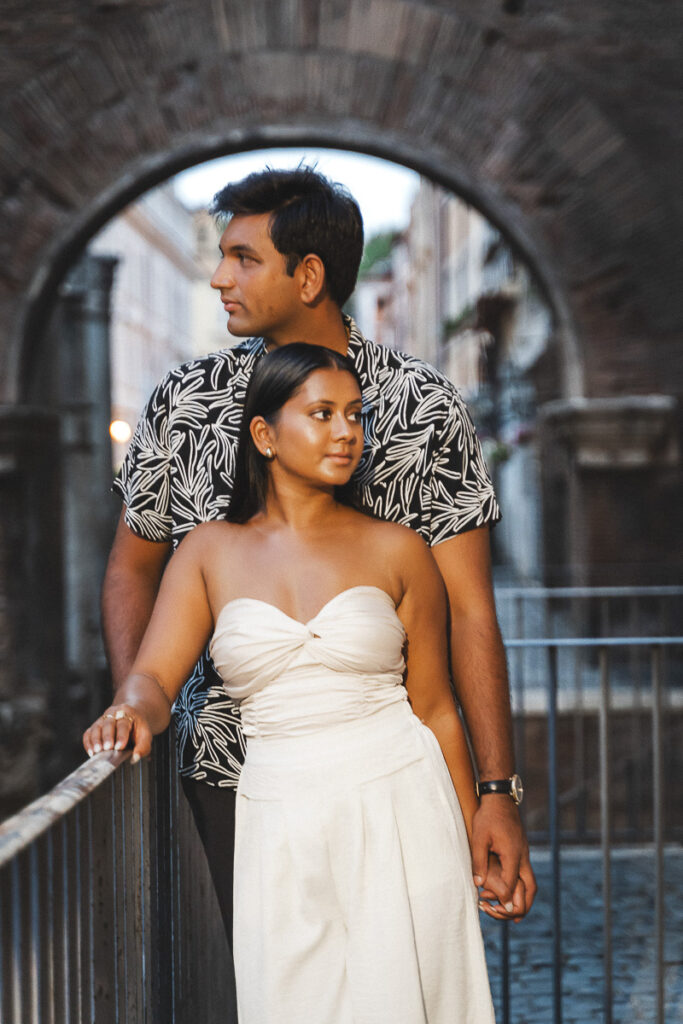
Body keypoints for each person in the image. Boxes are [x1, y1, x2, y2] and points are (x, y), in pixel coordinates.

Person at [102, 166, 535, 986]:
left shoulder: (421, 408)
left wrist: (494, 790)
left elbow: (472, 613)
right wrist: (140, 713)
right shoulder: (183, 404)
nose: (219, 277)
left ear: (307, 276)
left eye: (242, 258)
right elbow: (131, 571)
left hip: (396, 776)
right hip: (234, 777)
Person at [85, 343, 497, 1023]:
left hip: (402, 798)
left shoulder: (398, 549)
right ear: (265, 435)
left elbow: (435, 709)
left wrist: (480, 822)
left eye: (356, 415)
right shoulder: (209, 550)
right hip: (279, 808)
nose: (347, 432)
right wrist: (128, 706)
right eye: (323, 414)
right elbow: (156, 675)